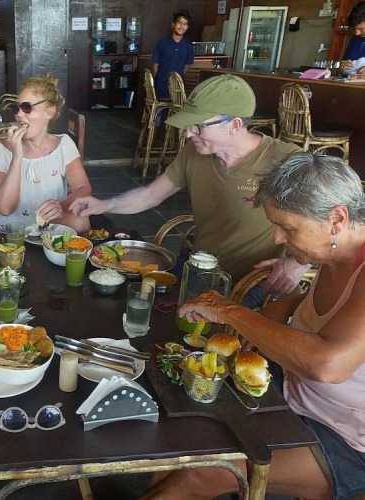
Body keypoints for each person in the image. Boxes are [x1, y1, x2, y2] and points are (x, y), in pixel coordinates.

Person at [141, 152, 365, 500]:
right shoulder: (335, 249)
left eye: (288, 228)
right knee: (182, 440)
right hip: (291, 389)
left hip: (346, 436)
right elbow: (329, 306)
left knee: (203, 473)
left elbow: (328, 365)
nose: (277, 238)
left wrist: (232, 312)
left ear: (337, 219)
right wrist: (281, 306)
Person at [70, 74, 310, 303]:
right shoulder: (194, 153)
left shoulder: (286, 160)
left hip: (253, 284)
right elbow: (151, 194)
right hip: (198, 269)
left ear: (234, 125)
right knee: (128, 299)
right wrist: (104, 205)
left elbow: (331, 222)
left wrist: (299, 263)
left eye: (198, 126)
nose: (188, 133)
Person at [0, 73, 92, 234]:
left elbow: (83, 187)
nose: (19, 114)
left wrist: (61, 206)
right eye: (16, 108)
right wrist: (17, 158)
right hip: (7, 233)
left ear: (49, 112)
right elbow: (5, 208)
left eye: (27, 108)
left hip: (45, 228)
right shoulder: (0, 147)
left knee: (81, 221)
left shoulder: (63, 145)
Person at [151, 9, 194, 99]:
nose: (182, 26)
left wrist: (178, 80)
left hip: (178, 90)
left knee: (177, 108)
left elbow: (187, 67)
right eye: (179, 23)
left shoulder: (188, 46)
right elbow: (155, 66)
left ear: (187, 27)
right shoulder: (162, 43)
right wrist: (156, 83)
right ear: (173, 25)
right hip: (161, 88)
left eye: (185, 24)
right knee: (160, 107)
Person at [342, 1, 365, 75]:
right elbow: (345, 62)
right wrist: (343, 65)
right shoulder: (355, 40)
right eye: (355, 29)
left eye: (361, 29)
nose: (357, 33)